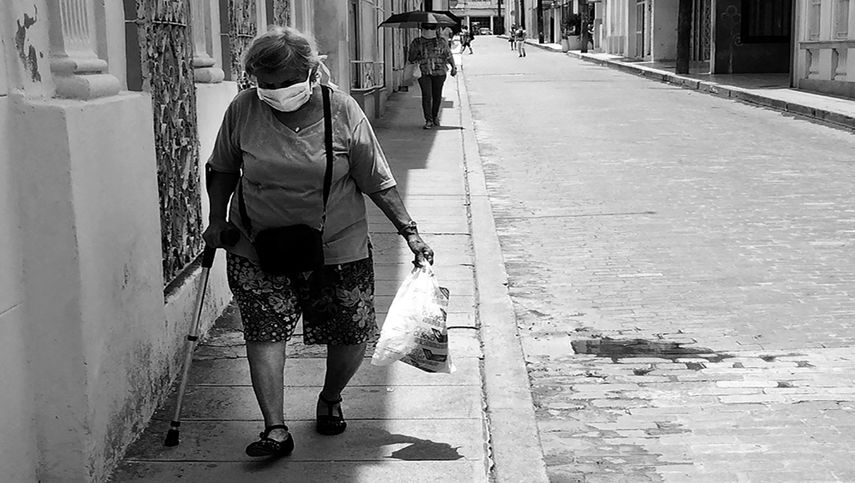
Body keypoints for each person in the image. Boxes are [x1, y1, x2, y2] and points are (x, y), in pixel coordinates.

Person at [203, 26, 434, 459]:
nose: (273, 92)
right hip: (257, 243)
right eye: (265, 84)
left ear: (310, 74)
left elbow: (377, 180)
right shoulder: (244, 109)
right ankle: (275, 427)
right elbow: (221, 168)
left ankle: (330, 397)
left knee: (349, 332)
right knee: (264, 331)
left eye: (284, 84)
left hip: (336, 245)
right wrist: (217, 219)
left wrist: (410, 231)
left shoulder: (343, 110)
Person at [408, 23, 457, 129]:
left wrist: (454, 67)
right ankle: (429, 120)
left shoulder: (441, 42)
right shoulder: (417, 42)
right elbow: (411, 58)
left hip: (439, 72)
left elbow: (448, 55)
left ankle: (434, 116)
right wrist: (416, 51)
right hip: (424, 72)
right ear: (422, 29)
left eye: (431, 28)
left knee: (437, 96)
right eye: (427, 28)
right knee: (426, 95)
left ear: (435, 29)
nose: (429, 30)